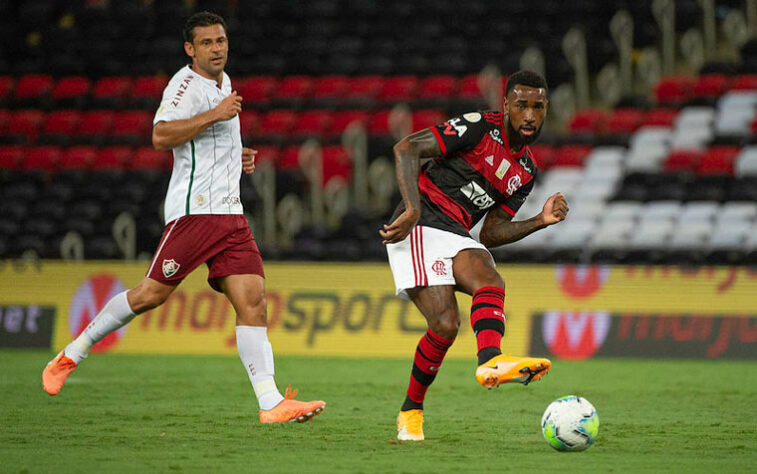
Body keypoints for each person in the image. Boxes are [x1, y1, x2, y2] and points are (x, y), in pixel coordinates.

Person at [42, 11, 325, 424]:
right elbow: (160, 136)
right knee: (149, 296)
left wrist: (236, 155)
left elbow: (206, 143)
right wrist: (215, 115)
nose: (217, 49)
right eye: (207, 43)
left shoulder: (224, 83)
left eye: (221, 41)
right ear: (190, 50)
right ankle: (71, 354)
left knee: (253, 301)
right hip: (196, 213)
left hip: (230, 214)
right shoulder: (184, 86)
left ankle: (270, 402)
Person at [381, 70, 568, 441]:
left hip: (456, 232)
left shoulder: (526, 171)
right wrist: (412, 209)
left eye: (538, 107)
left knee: (490, 277)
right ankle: (410, 411)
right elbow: (406, 147)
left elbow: (491, 233)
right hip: (420, 222)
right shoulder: (479, 128)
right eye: (521, 106)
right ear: (506, 106)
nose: (530, 115)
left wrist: (539, 221)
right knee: (446, 324)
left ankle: (490, 361)